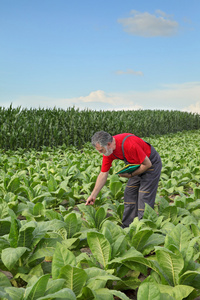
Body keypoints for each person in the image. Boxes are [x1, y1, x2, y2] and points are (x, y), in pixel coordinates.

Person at [85, 131, 162, 228]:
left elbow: (147, 164)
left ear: (108, 144)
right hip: (136, 166)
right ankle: (127, 226)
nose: (100, 153)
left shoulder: (129, 144)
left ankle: (144, 227)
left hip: (151, 164)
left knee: (144, 195)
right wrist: (93, 195)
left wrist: (131, 175)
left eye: (101, 150)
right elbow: (103, 173)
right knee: (129, 192)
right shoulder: (109, 152)